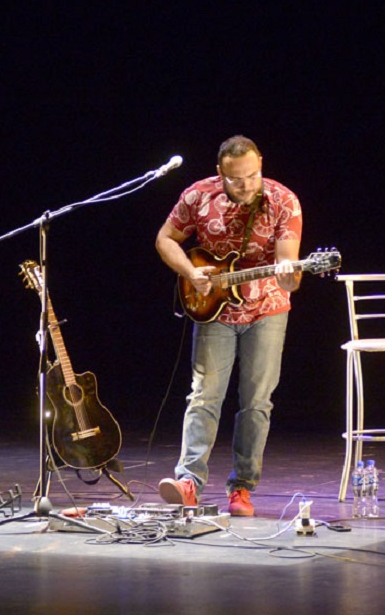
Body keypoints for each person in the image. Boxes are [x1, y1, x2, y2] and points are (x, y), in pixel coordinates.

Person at [155, 136, 303, 517]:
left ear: (261, 165)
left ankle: (242, 487)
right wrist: (190, 272)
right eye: (237, 179)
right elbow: (165, 239)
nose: (247, 185)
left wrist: (290, 273)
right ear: (221, 173)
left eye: (253, 175)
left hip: (266, 309)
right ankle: (188, 481)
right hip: (214, 310)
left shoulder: (283, 200)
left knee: (256, 402)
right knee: (204, 395)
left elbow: (289, 269)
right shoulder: (198, 195)